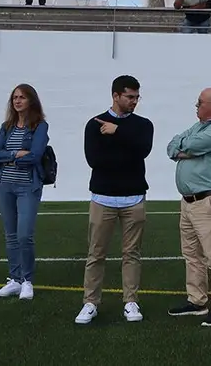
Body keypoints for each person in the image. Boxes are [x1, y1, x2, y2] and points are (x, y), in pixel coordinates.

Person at [76, 75, 155, 325]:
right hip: (103, 198)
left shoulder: (143, 125)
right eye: (130, 97)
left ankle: (130, 301)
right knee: (96, 254)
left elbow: (143, 150)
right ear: (116, 96)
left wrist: (118, 133)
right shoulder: (94, 124)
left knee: (132, 253)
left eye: (136, 97)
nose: (134, 101)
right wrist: (125, 149)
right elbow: (95, 160)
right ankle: (90, 303)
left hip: (134, 198)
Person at [166, 87, 211, 327]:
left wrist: (185, 148)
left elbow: (192, 146)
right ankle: (197, 300)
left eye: (200, 103)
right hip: (188, 202)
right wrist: (182, 148)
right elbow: (172, 146)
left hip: (208, 201)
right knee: (192, 255)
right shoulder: (199, 126)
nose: (196, 106)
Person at [0, 84, 50, 301]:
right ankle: (14, 280)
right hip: (5, 186)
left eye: (22, 97)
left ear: (31, 101)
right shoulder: (6, 127)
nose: (17, 101)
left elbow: (35, 155)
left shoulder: (40, 126)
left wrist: (10, 155)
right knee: (11, 236)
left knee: (25, 235)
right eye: (15, 97)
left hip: (28, 187)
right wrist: (16, 153)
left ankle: (27, 281)